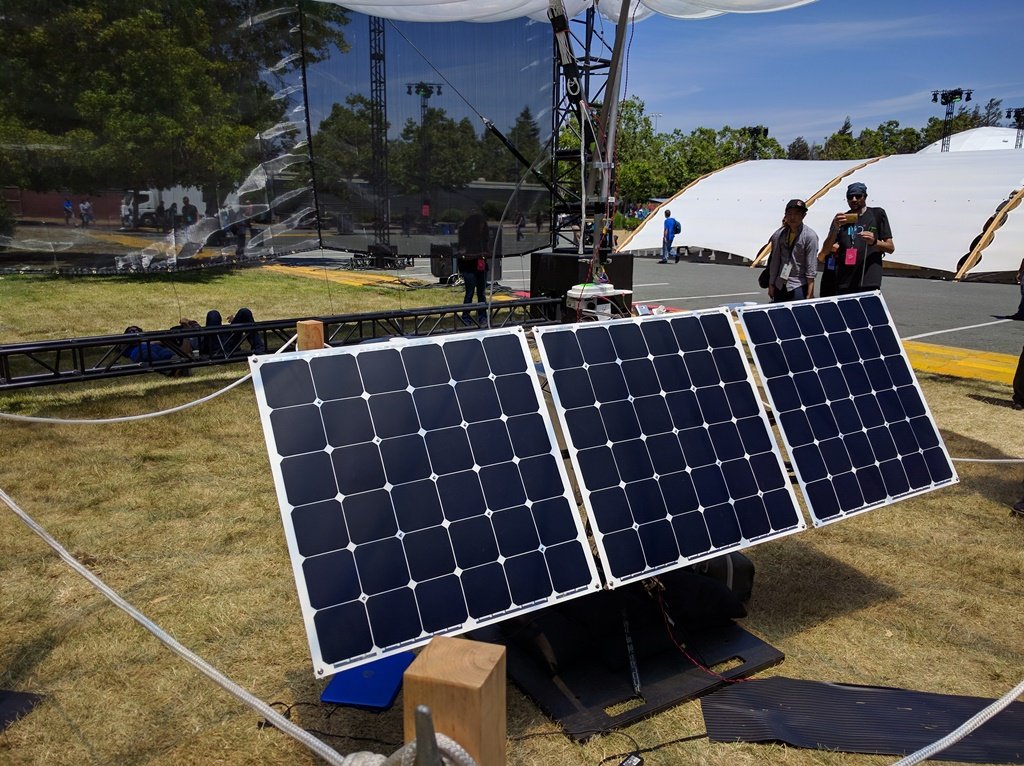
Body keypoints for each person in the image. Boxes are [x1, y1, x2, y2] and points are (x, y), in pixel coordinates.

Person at [818, 182, 893, 295]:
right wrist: (834, 227)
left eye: (858, 196)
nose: (853, 199)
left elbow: (890, 247)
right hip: (844, 281)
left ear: (865, 197)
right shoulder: (842, 219)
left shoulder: (877, 214)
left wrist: (874, 242)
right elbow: (826, 250)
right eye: (850, 197)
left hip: (868, 280)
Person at [765, 199, 819, 303]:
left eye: (797, 214)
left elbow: (811, 265)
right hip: (780, 284)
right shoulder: (779, 234)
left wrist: (810, 292)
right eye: (789, 213)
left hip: (798, 284)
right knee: (778, 315)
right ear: (785, 215)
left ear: (803, 216)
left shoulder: (810, 236)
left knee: (796, 317)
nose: (792, 217)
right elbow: (775, 260)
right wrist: (771, 284)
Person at [457, 212, 490, 325]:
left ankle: (482, 316)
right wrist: (473, 255)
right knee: (470, 292)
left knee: (481, 293)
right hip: (469, 268)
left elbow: (488, 250)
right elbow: (461, 254)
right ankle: (465, 317)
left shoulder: (483, 237)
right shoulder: (466, 237)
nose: (482, 227)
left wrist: (484, 254)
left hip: (481, 266)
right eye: (480, 225)